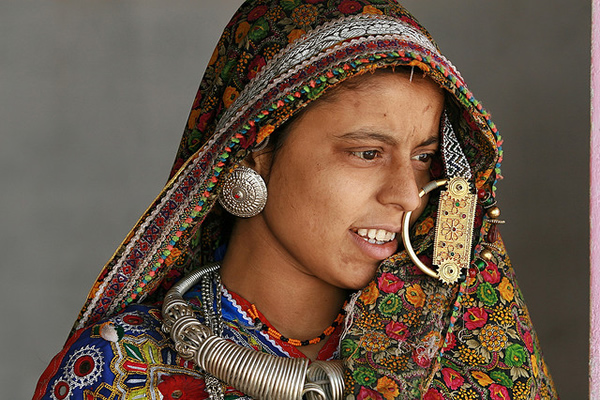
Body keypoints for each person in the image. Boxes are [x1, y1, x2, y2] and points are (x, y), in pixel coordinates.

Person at [33, 1, 558, 399]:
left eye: (424, 158)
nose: (407, 195)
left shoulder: (450, 353)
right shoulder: (119, 373)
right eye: (367, 153)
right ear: (258, 150)